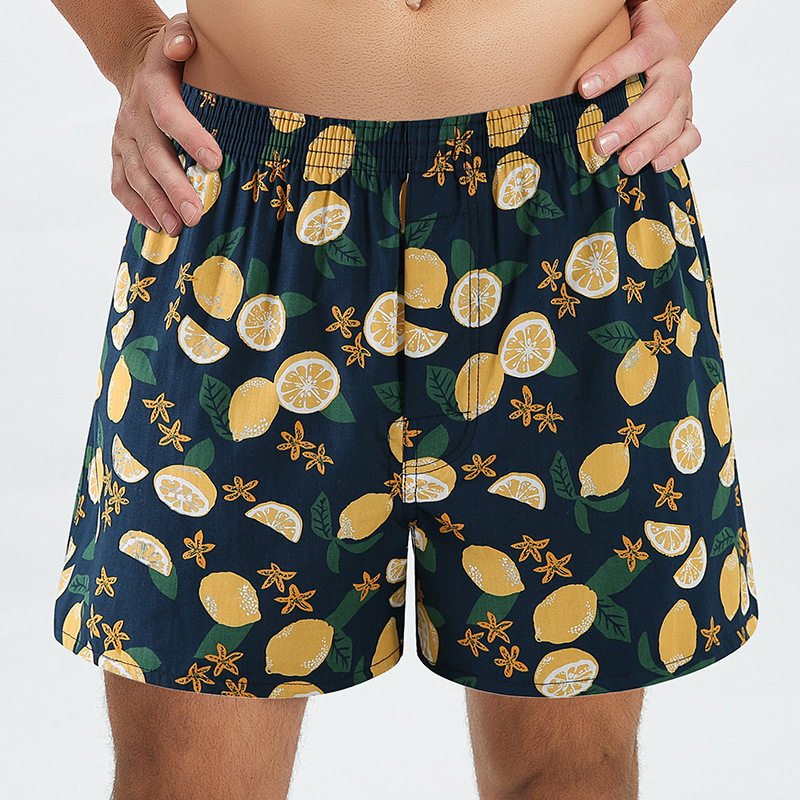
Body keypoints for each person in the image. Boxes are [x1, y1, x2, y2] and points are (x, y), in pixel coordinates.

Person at [50, 1, 758, 797]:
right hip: (245, 207)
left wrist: (674, 25)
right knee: (187, 780)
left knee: (569, 774)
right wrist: (132, 46)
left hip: (574, 202)